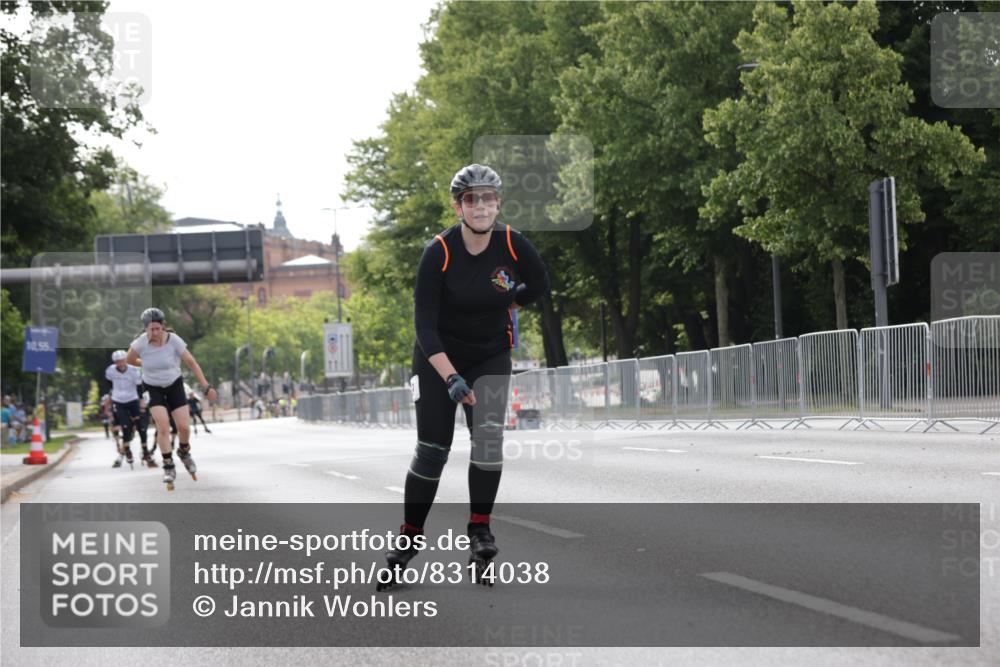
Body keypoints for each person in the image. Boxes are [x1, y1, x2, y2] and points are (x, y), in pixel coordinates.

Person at [377, 164, 550, 589]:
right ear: (459, 206)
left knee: (488, 443)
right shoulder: (439, 251)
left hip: (490, 356)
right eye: (472, 199)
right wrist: (451, 377)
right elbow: (424, 326)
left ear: (498, 203)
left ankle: (480, 530)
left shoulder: (513, 243)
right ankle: (409, 537)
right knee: (433, 449)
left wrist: (510, 301)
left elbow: (539, 287)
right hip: (438, 358)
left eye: (489, 198)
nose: (481, 206)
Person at [126, 308, 218, 490]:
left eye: (157, 329)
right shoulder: (140, 343)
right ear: (145, 329)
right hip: (152, 387)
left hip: (174, 384)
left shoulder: (173, 341)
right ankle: (168, 466)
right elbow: (130, 360)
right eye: (150, 329)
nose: (154, 333)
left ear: (163, 327)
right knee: (163, 427)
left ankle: (184, 451)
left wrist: (206, 386)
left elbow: (191, 362)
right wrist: (144, 363)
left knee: (184, 427)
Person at [104, 350, 143, 469]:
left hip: (132, 399)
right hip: (118, 400)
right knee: (124, 425)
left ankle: (143, 449)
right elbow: (109, 383)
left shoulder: (133, 370)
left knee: (138, 425)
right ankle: (127, 450)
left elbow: (139, 385)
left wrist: (141, 401)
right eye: (117, 362)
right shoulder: (110, 370)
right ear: (115, 362)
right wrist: (113, 395)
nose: (120, 364)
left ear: (126, 360)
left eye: (122, 361)